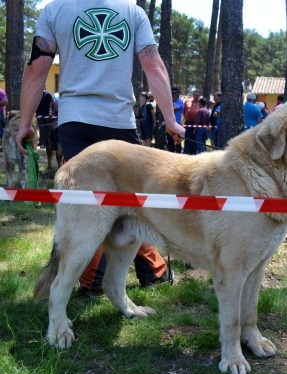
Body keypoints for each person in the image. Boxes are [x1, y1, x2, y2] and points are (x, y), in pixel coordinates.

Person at [16, 0, 186, 299]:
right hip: (119, 120)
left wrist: (24, 123)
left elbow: (36, 70)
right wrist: (170, 120)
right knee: (134, 203)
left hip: (75, 120)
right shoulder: (133, 12)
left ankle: (98, 279)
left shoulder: (56, 10)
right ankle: (150, 272)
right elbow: (153, 66)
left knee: (89, 205)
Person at [36, 86, 56, 170]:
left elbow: (53, 102)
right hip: (39, 115)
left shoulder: (48, 94)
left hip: (47, 115)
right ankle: (42, 143)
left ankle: (48, 143)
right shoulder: (36, 94)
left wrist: (53, 112)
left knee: (48, 130)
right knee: (41, 130)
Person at [182, 89, 200, 154]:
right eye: (195, 95)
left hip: (197, 124)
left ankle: (193, 153)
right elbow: (184, 112)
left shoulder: (201, 102)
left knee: (194, 140)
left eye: (197, 95)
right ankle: (185, 153)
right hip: (188, 123)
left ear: (199, 96)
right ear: (193, 95)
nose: (196, 97)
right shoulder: (187, 101)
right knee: (187, 139)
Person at [168, 86, 184, 153]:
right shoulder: (170, 102)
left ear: (177, 94)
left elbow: (174, 109)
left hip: (177, 123)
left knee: (177, 139)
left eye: (174, 93)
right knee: (170, 140)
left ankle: (178, 153)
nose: (173, 95)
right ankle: (171, 153)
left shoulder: (180, 101)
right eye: (172, 93)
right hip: (170, 123)